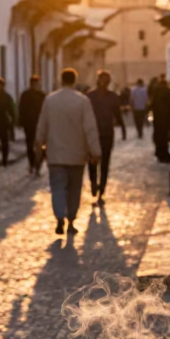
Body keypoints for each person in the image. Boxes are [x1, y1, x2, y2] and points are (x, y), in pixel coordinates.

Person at [34, 67, 101, 235]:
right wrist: (95, 151)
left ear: (61, 80)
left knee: (57, 188)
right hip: (77, 154)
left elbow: (42, 125)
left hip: (55, 154)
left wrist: (38, 145)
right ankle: (71, 220)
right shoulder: (82, 101)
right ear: (75, 80)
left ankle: (59, 219)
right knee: (74, 189)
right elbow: (90, 128)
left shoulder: (50, 100)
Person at [87, 70, 126, 204]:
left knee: (100, 162)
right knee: (97, 162)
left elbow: (118, 115)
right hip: (99, 133)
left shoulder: (92, 96)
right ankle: (96, 186)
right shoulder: (91, 96)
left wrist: (123, 129)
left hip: (103, 133)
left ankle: (100, 189)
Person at [19, 74, 46, 175]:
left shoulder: (40, 95)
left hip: (34, 123)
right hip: (32, 124)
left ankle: (35, 164)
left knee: (36, 145)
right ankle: (34, 164)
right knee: (32, 145)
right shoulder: (38, 95)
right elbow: (21, 109)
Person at [150, 75, 170, 163]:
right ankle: (164, 153)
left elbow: (152, 105)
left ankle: (160, 152)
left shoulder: (156, 92)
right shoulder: (169, 92)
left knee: (159, 136)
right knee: (165, 136)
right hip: (167, 118)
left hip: (158, 119)